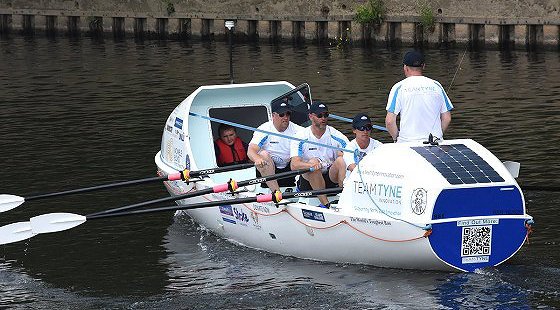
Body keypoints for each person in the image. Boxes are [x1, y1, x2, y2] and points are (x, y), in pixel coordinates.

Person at [385, 50, 453, 143]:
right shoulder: (437, 85)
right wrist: (437, 136)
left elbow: (389, 121)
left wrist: (396, 139)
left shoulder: (399, 87)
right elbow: (447, 118)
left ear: (405, 67)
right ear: (423, 66)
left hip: (407, 144)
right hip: (434, 143)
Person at [290, 101, 349, 208]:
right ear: (311, 116)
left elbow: (351, 156)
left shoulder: (336, 135)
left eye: (326, 115)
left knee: (341, 160)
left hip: (330, 177)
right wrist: (310, 166)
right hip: (307, 180)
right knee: (313, 162)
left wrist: (343, 156)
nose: (323, 118)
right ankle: (325, 204)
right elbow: (294, 165)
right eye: (319, 115)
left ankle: (344, 199)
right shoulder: (301, 137)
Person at [247, 101, 303, 192]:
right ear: (273, 115)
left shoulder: (299, 131)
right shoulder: (264, 129)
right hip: (268, 169)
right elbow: (251, 150)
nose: (285, 118)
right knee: (263, 154)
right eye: (281, 114)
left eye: (288, 114)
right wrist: (257, 159)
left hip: (289, 169)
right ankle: (276, 193)